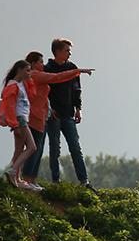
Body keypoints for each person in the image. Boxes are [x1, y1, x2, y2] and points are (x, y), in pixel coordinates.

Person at [18, 50, 94, 187]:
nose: (43, 64)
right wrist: (78, 71)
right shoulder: (35, 74)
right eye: (40, 62)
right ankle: (26, 178)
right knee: (37, 148)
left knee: (37, 148)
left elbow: (44, 95)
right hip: (37, 117)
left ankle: (29, 179)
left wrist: (76, 107)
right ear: (34, 64)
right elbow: (56, 77)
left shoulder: (37, 74)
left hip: (44, 116)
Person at [44, 38, 96, 191]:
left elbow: (76, 91)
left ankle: (84, 181)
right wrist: (48, 108)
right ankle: (55, 181)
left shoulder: (73, 68)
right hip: (53, 116)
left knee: (75, 147)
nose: (69, 53)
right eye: (67, 50)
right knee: (55, 148)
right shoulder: (48, 69)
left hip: (68, 114)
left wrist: (78, 109)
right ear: (58, 51)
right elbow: (43, 92)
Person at [0, 60, 40, 191]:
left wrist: (30, 80)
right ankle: (13, 170)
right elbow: (10, 106)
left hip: (22, 119)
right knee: (32, 147)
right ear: (19, 70)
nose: (29, 73)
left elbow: (33, 95)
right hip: (20, 120)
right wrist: (15, 125)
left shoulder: (21, 84)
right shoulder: (12, 85)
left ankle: (16, 178)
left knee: (19, 150)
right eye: (27, 70)